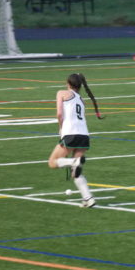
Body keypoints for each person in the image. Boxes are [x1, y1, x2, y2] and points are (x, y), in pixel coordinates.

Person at [48, 73, 104, 208]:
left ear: (68, 83)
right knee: (76, 171)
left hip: (70, 133)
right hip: (84, 135)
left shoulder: (61, 93)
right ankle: (88, 198)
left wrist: (61, 128)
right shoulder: (81, 99)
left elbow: (59, 113)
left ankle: (73, 161)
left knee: (52, 163)